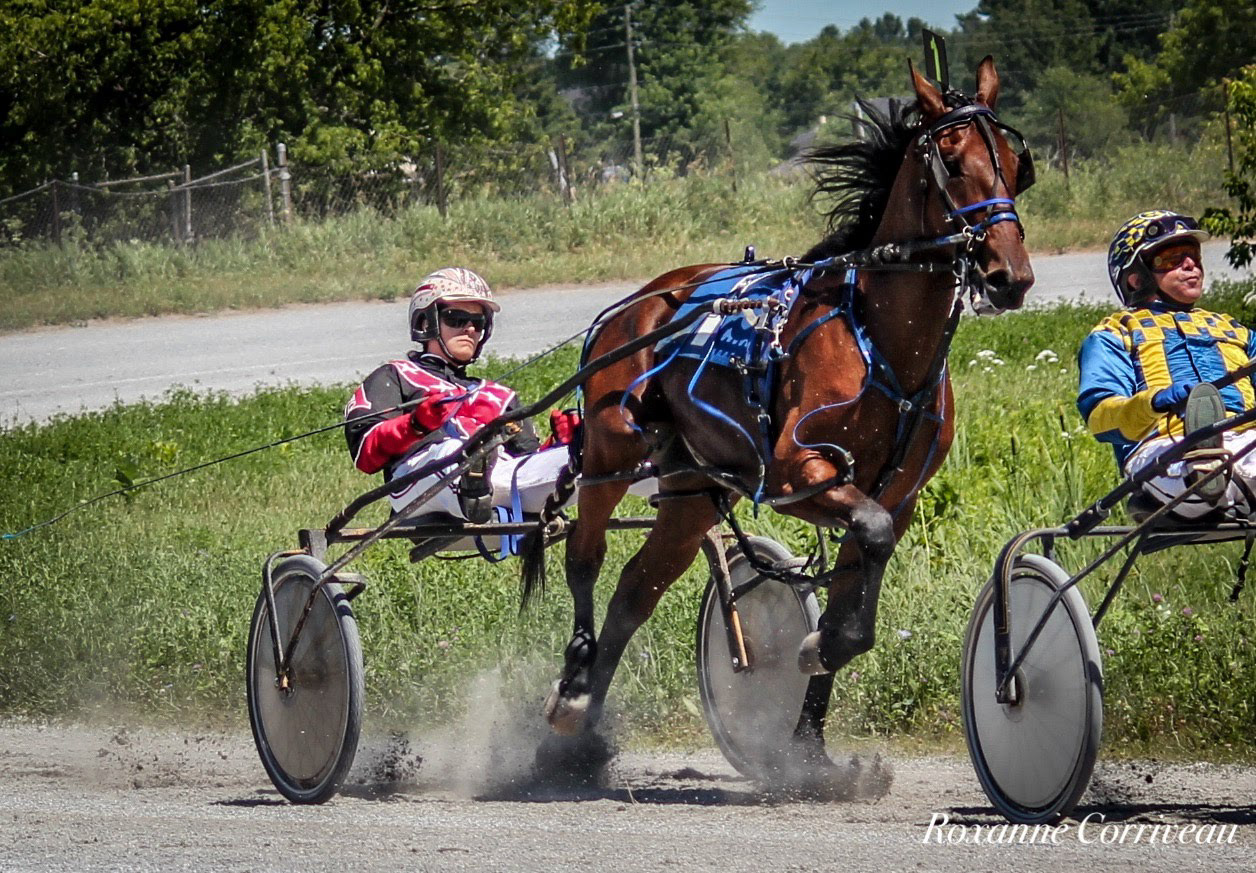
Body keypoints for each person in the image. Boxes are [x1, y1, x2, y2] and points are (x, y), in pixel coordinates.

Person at [344, 267, 576, 523]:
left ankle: (480, 481)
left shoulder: (500, 396)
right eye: (456, 319)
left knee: (582, 455)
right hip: (418, 483)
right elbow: (365, 454)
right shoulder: (395, 375)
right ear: (425, 322)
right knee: (454, 450)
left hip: (499, 480)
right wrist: (415, 425)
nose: (469, 330)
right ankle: (473, 476)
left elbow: (526, 463)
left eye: (477, 323)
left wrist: (561, 445)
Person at [1077, 209, 1256, 518]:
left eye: (1194, 256)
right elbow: (1100, 418)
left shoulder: (1234, 329)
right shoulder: (1115, 332)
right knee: (1197, 457)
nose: (1191, 265)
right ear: (1136, 277)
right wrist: (1154, 402)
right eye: (1172, 258)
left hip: (1247, 439)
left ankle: (1218, 472)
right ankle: (1204, 466)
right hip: (1164, 448)